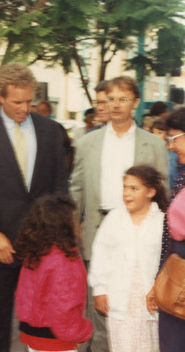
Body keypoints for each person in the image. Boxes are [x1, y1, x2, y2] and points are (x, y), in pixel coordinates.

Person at [0, 62, 69, 352]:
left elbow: (60, 185)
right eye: (17, 102)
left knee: (43, 323)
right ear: (0, 98)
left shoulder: (49, 131)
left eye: (29, 101)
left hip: (42, 246)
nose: (24, 108)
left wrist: (56, 236)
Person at [69, 75, 169, 352]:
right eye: (111, 99)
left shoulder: (154, 145)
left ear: (135, 103)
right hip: (96, 232)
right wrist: (72, 229)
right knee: (99, 307)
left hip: (140, 235)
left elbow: (163, 196)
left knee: (139, 310)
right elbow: (76, 190)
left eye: (123, 99)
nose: (116, 105)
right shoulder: (88, 143)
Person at [89, 165, 167, 352]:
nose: (126, 194)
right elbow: (101, 255)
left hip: (151, 302)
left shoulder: (163, 221)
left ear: (151, 192)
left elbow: (167, 261)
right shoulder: (114, 218)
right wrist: (99, 289)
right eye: (124, 187)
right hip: (120, 299)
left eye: (134, 188)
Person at [14, 195, 93, 352]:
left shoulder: (34, 254)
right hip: (58, 340)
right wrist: (80, 333)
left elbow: (23, 296)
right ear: (65, 225)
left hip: (33, 336)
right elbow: (65, 306)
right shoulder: (67, 260)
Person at [147, 107, 185, 352]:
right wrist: (159, 280)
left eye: (173, 138)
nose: (170, 146)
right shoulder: (182, 176)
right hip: (176, 278)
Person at [151, 119, 179, 189]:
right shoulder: (147, 152)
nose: (154, 136)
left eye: (159, 133)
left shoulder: (175, 154)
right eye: (153, 132)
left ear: (167, 134)